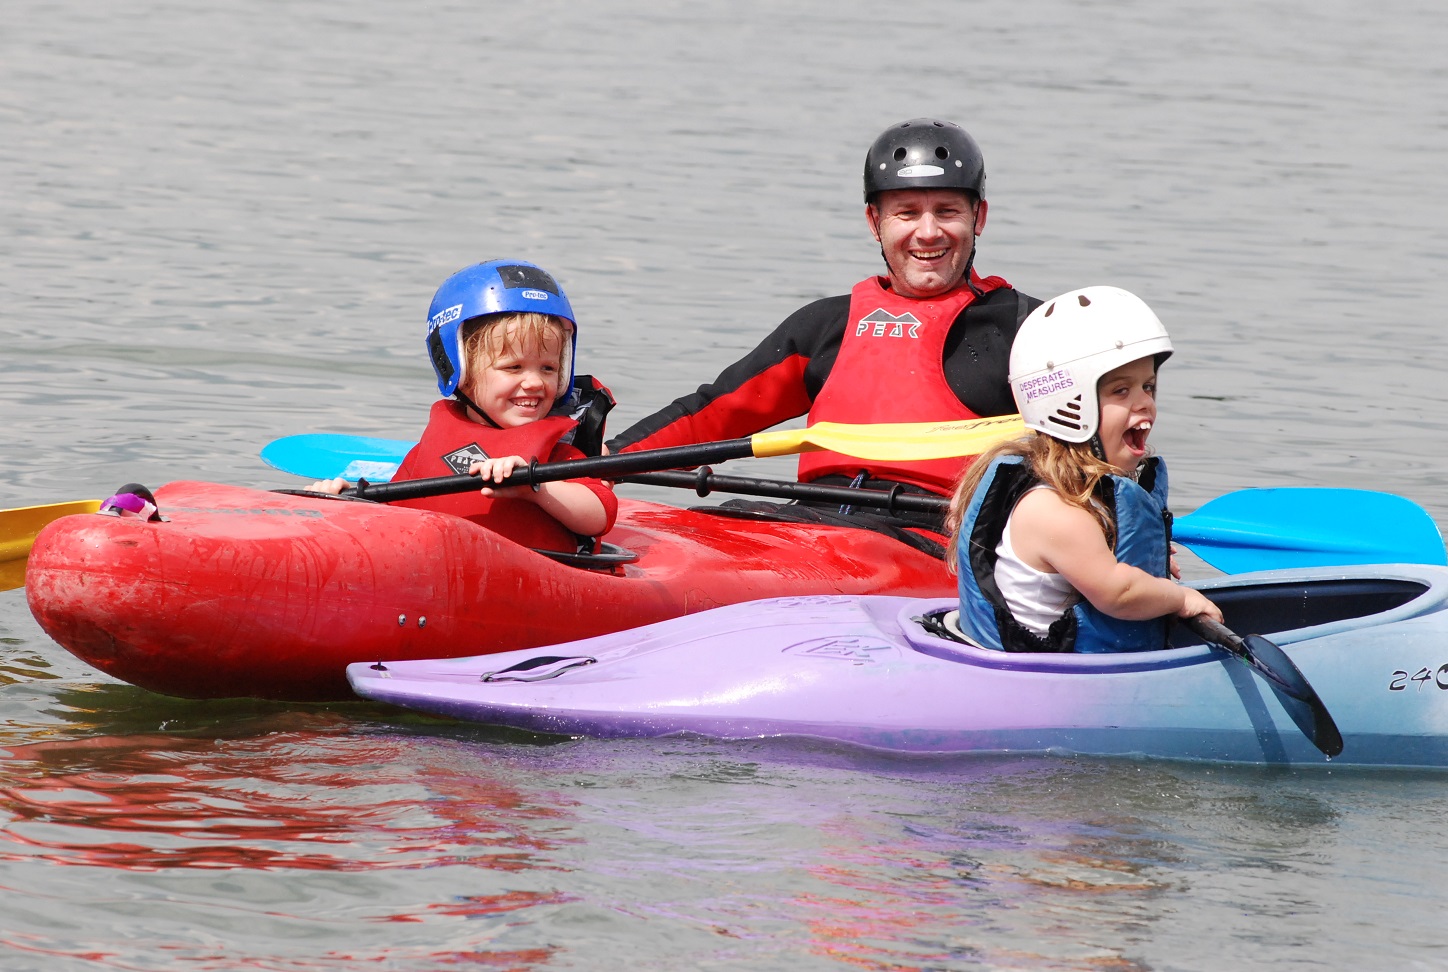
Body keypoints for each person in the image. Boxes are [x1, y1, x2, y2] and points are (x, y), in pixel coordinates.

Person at [605, 118, 1041, 547]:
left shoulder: (1033, 330)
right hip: (809, 523)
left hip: (931, 540)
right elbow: (714, 413)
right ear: (875, 222)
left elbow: (1092, 452)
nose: (928, 232)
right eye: (906, 213)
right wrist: (600, 461)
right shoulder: (828, 325)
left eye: (947, 211)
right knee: (702, 525)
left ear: (978, 217)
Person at [944, 285, 1222, 653]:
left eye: (1149, 386)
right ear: (1068, 406)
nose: (1145, 403)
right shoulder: (1053, 510)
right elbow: (1119, 593)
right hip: (1042, 677)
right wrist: (1180, 598)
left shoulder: (1074, 491)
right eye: (1121, 391)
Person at [310, 260, 618, 554]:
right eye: (513, 367)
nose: (535, 382)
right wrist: (346, 505)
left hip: (531, 584)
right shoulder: (429, 448)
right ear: (460, 371)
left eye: (548, 368)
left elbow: (600, 515)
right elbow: (392, 518)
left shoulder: (558, 455)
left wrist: (536, 486)